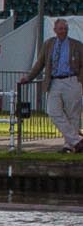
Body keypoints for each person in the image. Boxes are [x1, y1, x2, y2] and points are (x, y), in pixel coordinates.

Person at [26, 17, 82, 152]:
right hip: (54, 80)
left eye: (65, 29)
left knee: (72, 114)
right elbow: (40, 63)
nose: (63, 31)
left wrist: (80, 79)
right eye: (61, 29)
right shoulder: (49, 44)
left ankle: (69, 146)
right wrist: (29, 77)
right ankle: (77, 140)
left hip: (71, 79)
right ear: (55, 30)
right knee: (53, 111)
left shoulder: (77, 45)